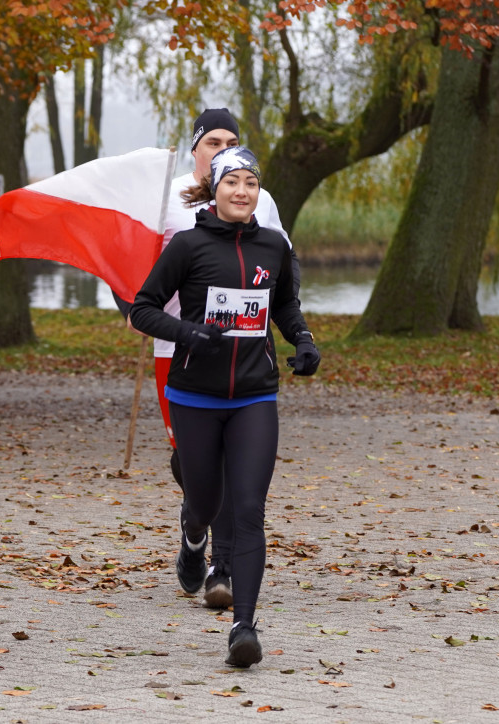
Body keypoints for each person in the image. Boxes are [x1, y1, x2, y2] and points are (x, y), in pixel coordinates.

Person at [129, 146, 320, 668]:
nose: (242, 191)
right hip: (194, 396)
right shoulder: (188, 246)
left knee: (249, 508)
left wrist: (301, 339)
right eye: (232, 181)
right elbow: (142, 310)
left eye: (251, 183)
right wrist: (189, 332)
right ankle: (193, 539)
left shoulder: (273, 245)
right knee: (206, 500)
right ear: (214, 187)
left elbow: (283, 303)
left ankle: (244, 626)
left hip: (256, 394)